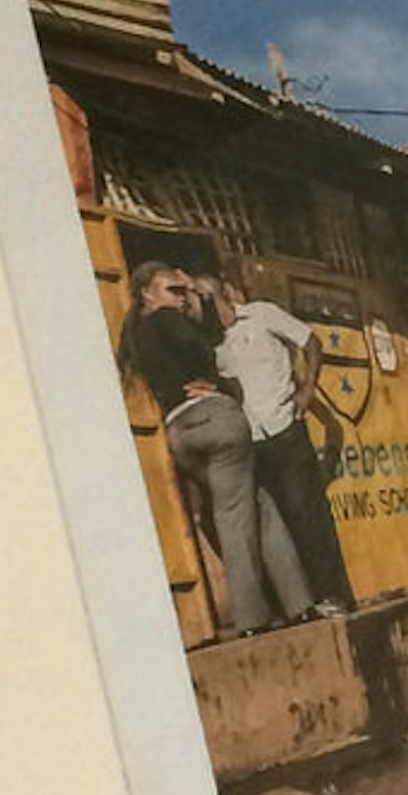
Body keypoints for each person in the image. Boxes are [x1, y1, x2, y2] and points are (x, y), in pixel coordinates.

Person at [121, 270, 311, 636]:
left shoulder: (135, 336)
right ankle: (253, 620)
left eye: (183, 291)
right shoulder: (165, 318)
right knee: (234, 516)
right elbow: (205, 346)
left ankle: (299, 603)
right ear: (146, 293)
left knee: (259, 504)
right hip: (215, 419)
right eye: (173, 290)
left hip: (180, 431)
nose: (181, 297)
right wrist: (198, 303)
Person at [200, 273, 348, 617]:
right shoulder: (209, 343)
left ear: (220, 294)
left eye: (203, 295)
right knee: (274, 525)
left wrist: (308, 388)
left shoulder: (262, 315)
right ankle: (298, 605)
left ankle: (333, 594)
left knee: (306, 514)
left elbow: (311, 342)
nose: (199, 303)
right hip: (248, 440)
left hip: (285, 428)